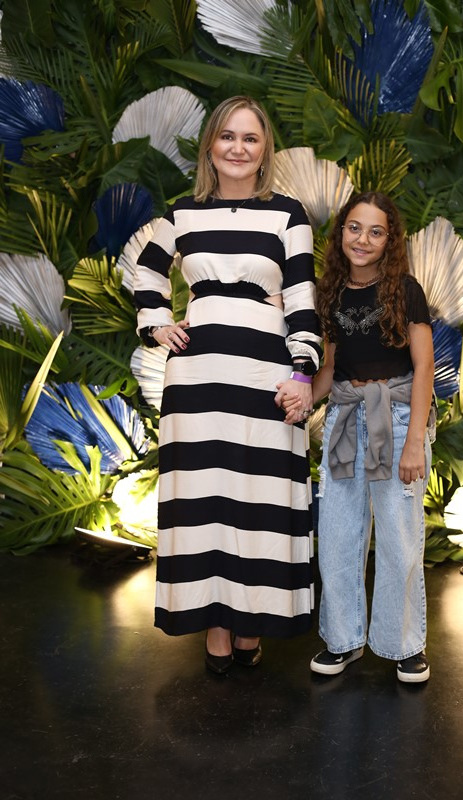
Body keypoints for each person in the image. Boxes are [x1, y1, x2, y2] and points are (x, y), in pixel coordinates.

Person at [133, 95, 322, 674]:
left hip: (265, 375)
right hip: (197, 378)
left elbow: (302, 297)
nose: (238, 148)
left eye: (250, 138)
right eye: (228, 136)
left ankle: (252, 621)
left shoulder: (288, 215)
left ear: (265, 151)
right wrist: (155, 322)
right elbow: (146, 270)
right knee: (206, 499)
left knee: (259, 500)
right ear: (210, 146)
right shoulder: (182, 213)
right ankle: (216, 625)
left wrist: (302, 372)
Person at [283, 192, 434, 682]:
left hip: (397, 416)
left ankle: (403, 644)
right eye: (354, 227)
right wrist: (304, 400)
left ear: (390, 240)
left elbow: (424, 367)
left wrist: (415, 442)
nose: (363, 239)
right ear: (341, 232)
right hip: (346, 418)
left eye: (375, 231)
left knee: (398, 538)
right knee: (338, 537)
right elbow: (330, 368)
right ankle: (343, 640)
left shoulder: (405, 290)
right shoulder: (329, 293)